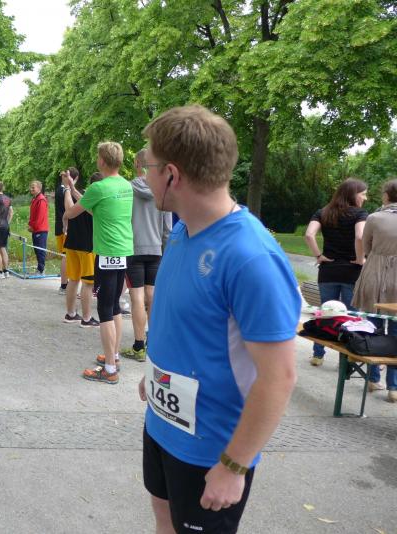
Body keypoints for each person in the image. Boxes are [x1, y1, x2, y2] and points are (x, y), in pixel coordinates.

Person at [137, 105, 300, 533]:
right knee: (163, 520)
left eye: (148, 167)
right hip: (162, 425)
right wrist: (155, 374)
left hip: (211, 450)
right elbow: (184, 321)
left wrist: (234, 464)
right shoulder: (181, 230)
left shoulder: (251, 257)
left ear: (172, 175)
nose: (145, 177)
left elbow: (279, 377)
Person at [63, 141, 133, 384]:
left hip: (106, 253)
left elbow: (74, 212)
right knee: (114, 307)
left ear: (102, 161)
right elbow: (97, 209)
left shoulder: (99, 187)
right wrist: (74, 188)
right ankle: (114, 356)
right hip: (124, 250)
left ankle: (110, 370)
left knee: (104, 309)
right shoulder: (126, 186)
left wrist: (67, 198)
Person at [304, 178, 368, 366]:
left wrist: (318, 255)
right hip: (352, 272)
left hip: (328, 272)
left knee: (325, 312)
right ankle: (348, 359)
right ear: (353, 194)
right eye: (363, 194)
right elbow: (360, 236)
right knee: (351, 316)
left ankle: (318, 354)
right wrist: (360, 258)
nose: (365, 198)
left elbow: (309, 235)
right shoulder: (360, 214)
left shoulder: (323, 212)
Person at [125, 148, 172, 361]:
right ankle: (154, 343)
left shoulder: (127, 189)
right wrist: (165, 252)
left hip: (133, 249)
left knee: (136, 296)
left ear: (137, 163)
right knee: (152, 295)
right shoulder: (162, 192)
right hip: (156, 249)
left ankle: (138, 346)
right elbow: (168, 229)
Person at [352, 178, 397, 402]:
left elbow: (366, 244)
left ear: (387, 195)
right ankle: (394, 387)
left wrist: (377, 255)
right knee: (396, 328)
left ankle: (372, 378)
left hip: (375, 271)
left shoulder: (374, 218)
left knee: (373, 324)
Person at [62, 171, 100, 328]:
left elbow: (68, 211)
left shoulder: (79, 195)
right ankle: (86, 318)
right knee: (88, 283)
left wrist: (68, 188)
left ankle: (70, 314)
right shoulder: (97, 199)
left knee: (73, 280)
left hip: (72, 243)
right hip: (87, 246)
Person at [55, 170, 77, 293]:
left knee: (66, 256)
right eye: (63, 175)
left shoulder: (60, 190)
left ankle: (65, 284)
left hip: (61, 227)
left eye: (64, 175)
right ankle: (64, 285)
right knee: (66, 256)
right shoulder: (65, 191)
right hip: (65, 228)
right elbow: (69, 211)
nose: (63, 177)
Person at [28, 180, 49, 275]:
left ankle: (41, 270)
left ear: (39, 188)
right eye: (31, 187)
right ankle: (39, 269)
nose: (31, 189)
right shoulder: (35, 199)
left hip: (41, 229)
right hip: (36, 229)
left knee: (40, 250)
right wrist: (30, 224)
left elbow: (40, 216)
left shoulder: (41, 200)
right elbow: (33, 214)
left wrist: (34, 227)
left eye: (33, 187)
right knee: (37, 249)